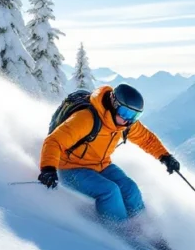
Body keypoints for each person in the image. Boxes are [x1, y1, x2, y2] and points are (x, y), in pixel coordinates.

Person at [37, 84, 181, 226]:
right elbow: (54, 141)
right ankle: (121, 229)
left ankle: (144, 227)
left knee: (130, 189)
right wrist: (48, 169)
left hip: (101, 164)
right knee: (110, 191)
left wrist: (165, 156)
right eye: (125, 112)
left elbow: (146, 139)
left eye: (134, 115)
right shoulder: (86, 118)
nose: (128, 119)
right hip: (70, 167)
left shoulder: (124, 124)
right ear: (114, 104)